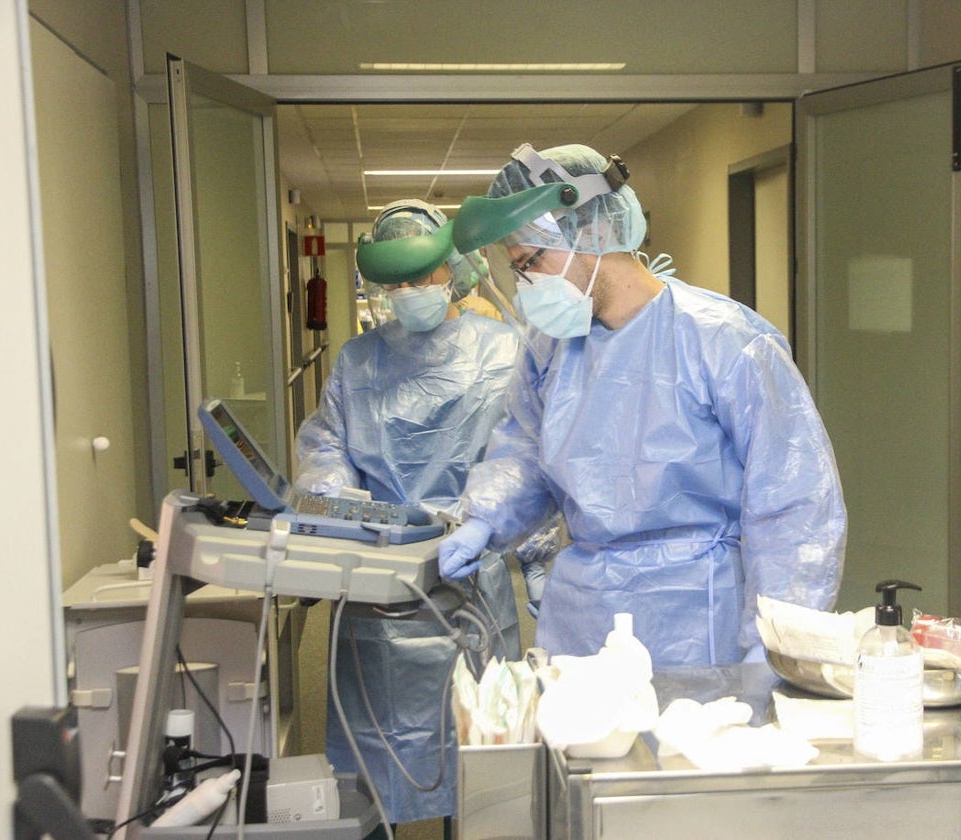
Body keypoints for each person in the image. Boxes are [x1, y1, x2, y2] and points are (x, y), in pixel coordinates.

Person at [438, 144, 847, 667]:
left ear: (592, 230)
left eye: (533, 262)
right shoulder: (551, 349)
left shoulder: (724, 341)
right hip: (584, 616)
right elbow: (524, 448)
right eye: (519, 270)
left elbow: (794, 506)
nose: (527, 285)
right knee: (580, 749)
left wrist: (777, 647)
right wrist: (484, 518)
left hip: (698, 623)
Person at [294, 199, 522, 831]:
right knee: (375, 747)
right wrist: (344, 506)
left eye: (423, 276)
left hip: (468, 575)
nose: (412, 292)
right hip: (376, 582)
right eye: (398, 283)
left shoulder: (504, 352)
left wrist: (542, 559)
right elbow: (324, 447)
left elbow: (525, 461)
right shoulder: (358, 360)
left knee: (475, 745)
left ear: (454, 270)